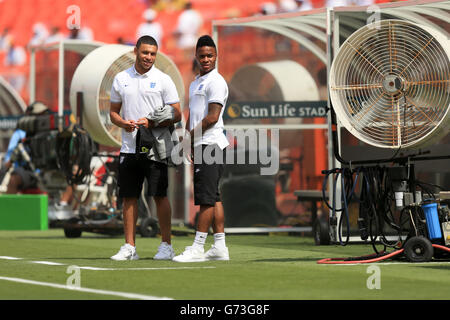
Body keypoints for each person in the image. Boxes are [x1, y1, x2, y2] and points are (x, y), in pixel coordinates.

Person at [109, 35, 181, 261]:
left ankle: (167, 246)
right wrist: (122, 123)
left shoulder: (163, 79)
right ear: (135, 52)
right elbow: (113, 113)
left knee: (159, 195)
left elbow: (177, 113)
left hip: (156, 148)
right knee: (129, 197)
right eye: (145, 52)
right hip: (129, 148)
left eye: (153, 53)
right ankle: (130, 247)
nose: (149, 57)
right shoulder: (121, 79)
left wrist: (152, 122)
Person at [173, 35, 229, 262]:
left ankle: (197, 248)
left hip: (211, 144)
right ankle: (220, 247)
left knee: (206, 199)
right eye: (202, 56)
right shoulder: (196, 82)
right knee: (214, 197)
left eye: (210, 55)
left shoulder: (216, 82)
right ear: (196, 56)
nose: (206, 59)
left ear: (216, 56)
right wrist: (188, 138)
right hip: (201, 144)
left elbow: (212, 118)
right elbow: (192, 115)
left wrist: (188, 139)